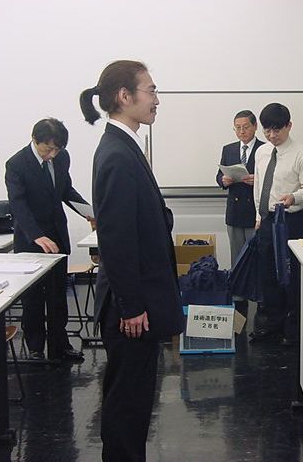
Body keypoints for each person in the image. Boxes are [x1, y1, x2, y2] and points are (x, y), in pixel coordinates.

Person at [80, 60, 184, 461]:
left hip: (135, 300)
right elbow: (117, 239)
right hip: (131, 308)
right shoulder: (117, 154)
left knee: (134, 400)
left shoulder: (124, 145)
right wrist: (132, 306)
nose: (157, 100)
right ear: (125, 96)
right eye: (151, 91)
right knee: (128, 403)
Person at [5, 118, 90, 362]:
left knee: (57, 295)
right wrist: (37, 235)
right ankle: (35, 348)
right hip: (30, 239)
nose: (52, 155)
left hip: (57, 236)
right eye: (48, 149)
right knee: (33, 298)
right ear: (35, 140)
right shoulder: (16, 164)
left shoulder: (62, 158)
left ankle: (59, 346)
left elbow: (66, 191)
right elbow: (18, 205)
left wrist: (89, 212)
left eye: (57, 150)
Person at [250, 103, 303, 346]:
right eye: (267, 130)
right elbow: (259, 186)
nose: (271, 135)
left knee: (291, 275)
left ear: (289, 126)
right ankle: (271, 324)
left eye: (276, 130)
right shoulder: (261, 152)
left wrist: (294, 197)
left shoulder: (302, 153)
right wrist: (259, 217)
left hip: (291, 220)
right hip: (268, 220)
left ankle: (294, 326)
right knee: (268, 273)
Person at [216, 110, 264, 315]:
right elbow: (219, 176)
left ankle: (260, 295)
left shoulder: (265, 149)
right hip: (235, 211)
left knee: (259, 257)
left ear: (255, 127)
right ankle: (238, 295)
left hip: (256, 212)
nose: (242, 131)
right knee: (237, 256)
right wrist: (223, 180)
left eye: (245, 127)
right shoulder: (228, 149)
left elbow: (274, 178)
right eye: (238, 128)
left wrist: (258, 180)